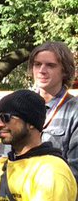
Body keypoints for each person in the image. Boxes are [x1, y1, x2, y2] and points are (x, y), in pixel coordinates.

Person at [29, 41, 77, 182]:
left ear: (65, 71)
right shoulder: (19, 105)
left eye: (50, 65)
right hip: (19, 196)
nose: (42, 70)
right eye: (37, 64)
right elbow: (5, 155)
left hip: (58, 195)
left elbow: (75, 169)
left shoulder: (74, 110)